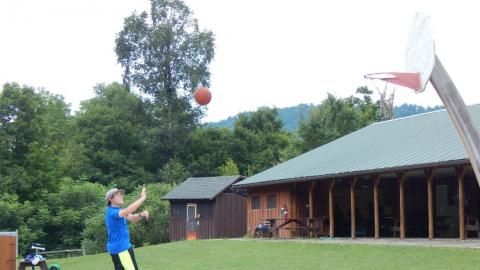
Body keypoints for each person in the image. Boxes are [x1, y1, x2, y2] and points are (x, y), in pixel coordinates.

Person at [105, 186, 149, 270]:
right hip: (122, 249)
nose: (121, 196)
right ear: (111, 199)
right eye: (118, 195)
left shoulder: (118, 211)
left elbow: (132, 218)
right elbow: (129, 210)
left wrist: (141, 215)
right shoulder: (113, 212)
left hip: (117, 249)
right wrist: (143, 197)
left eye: (121, 194)